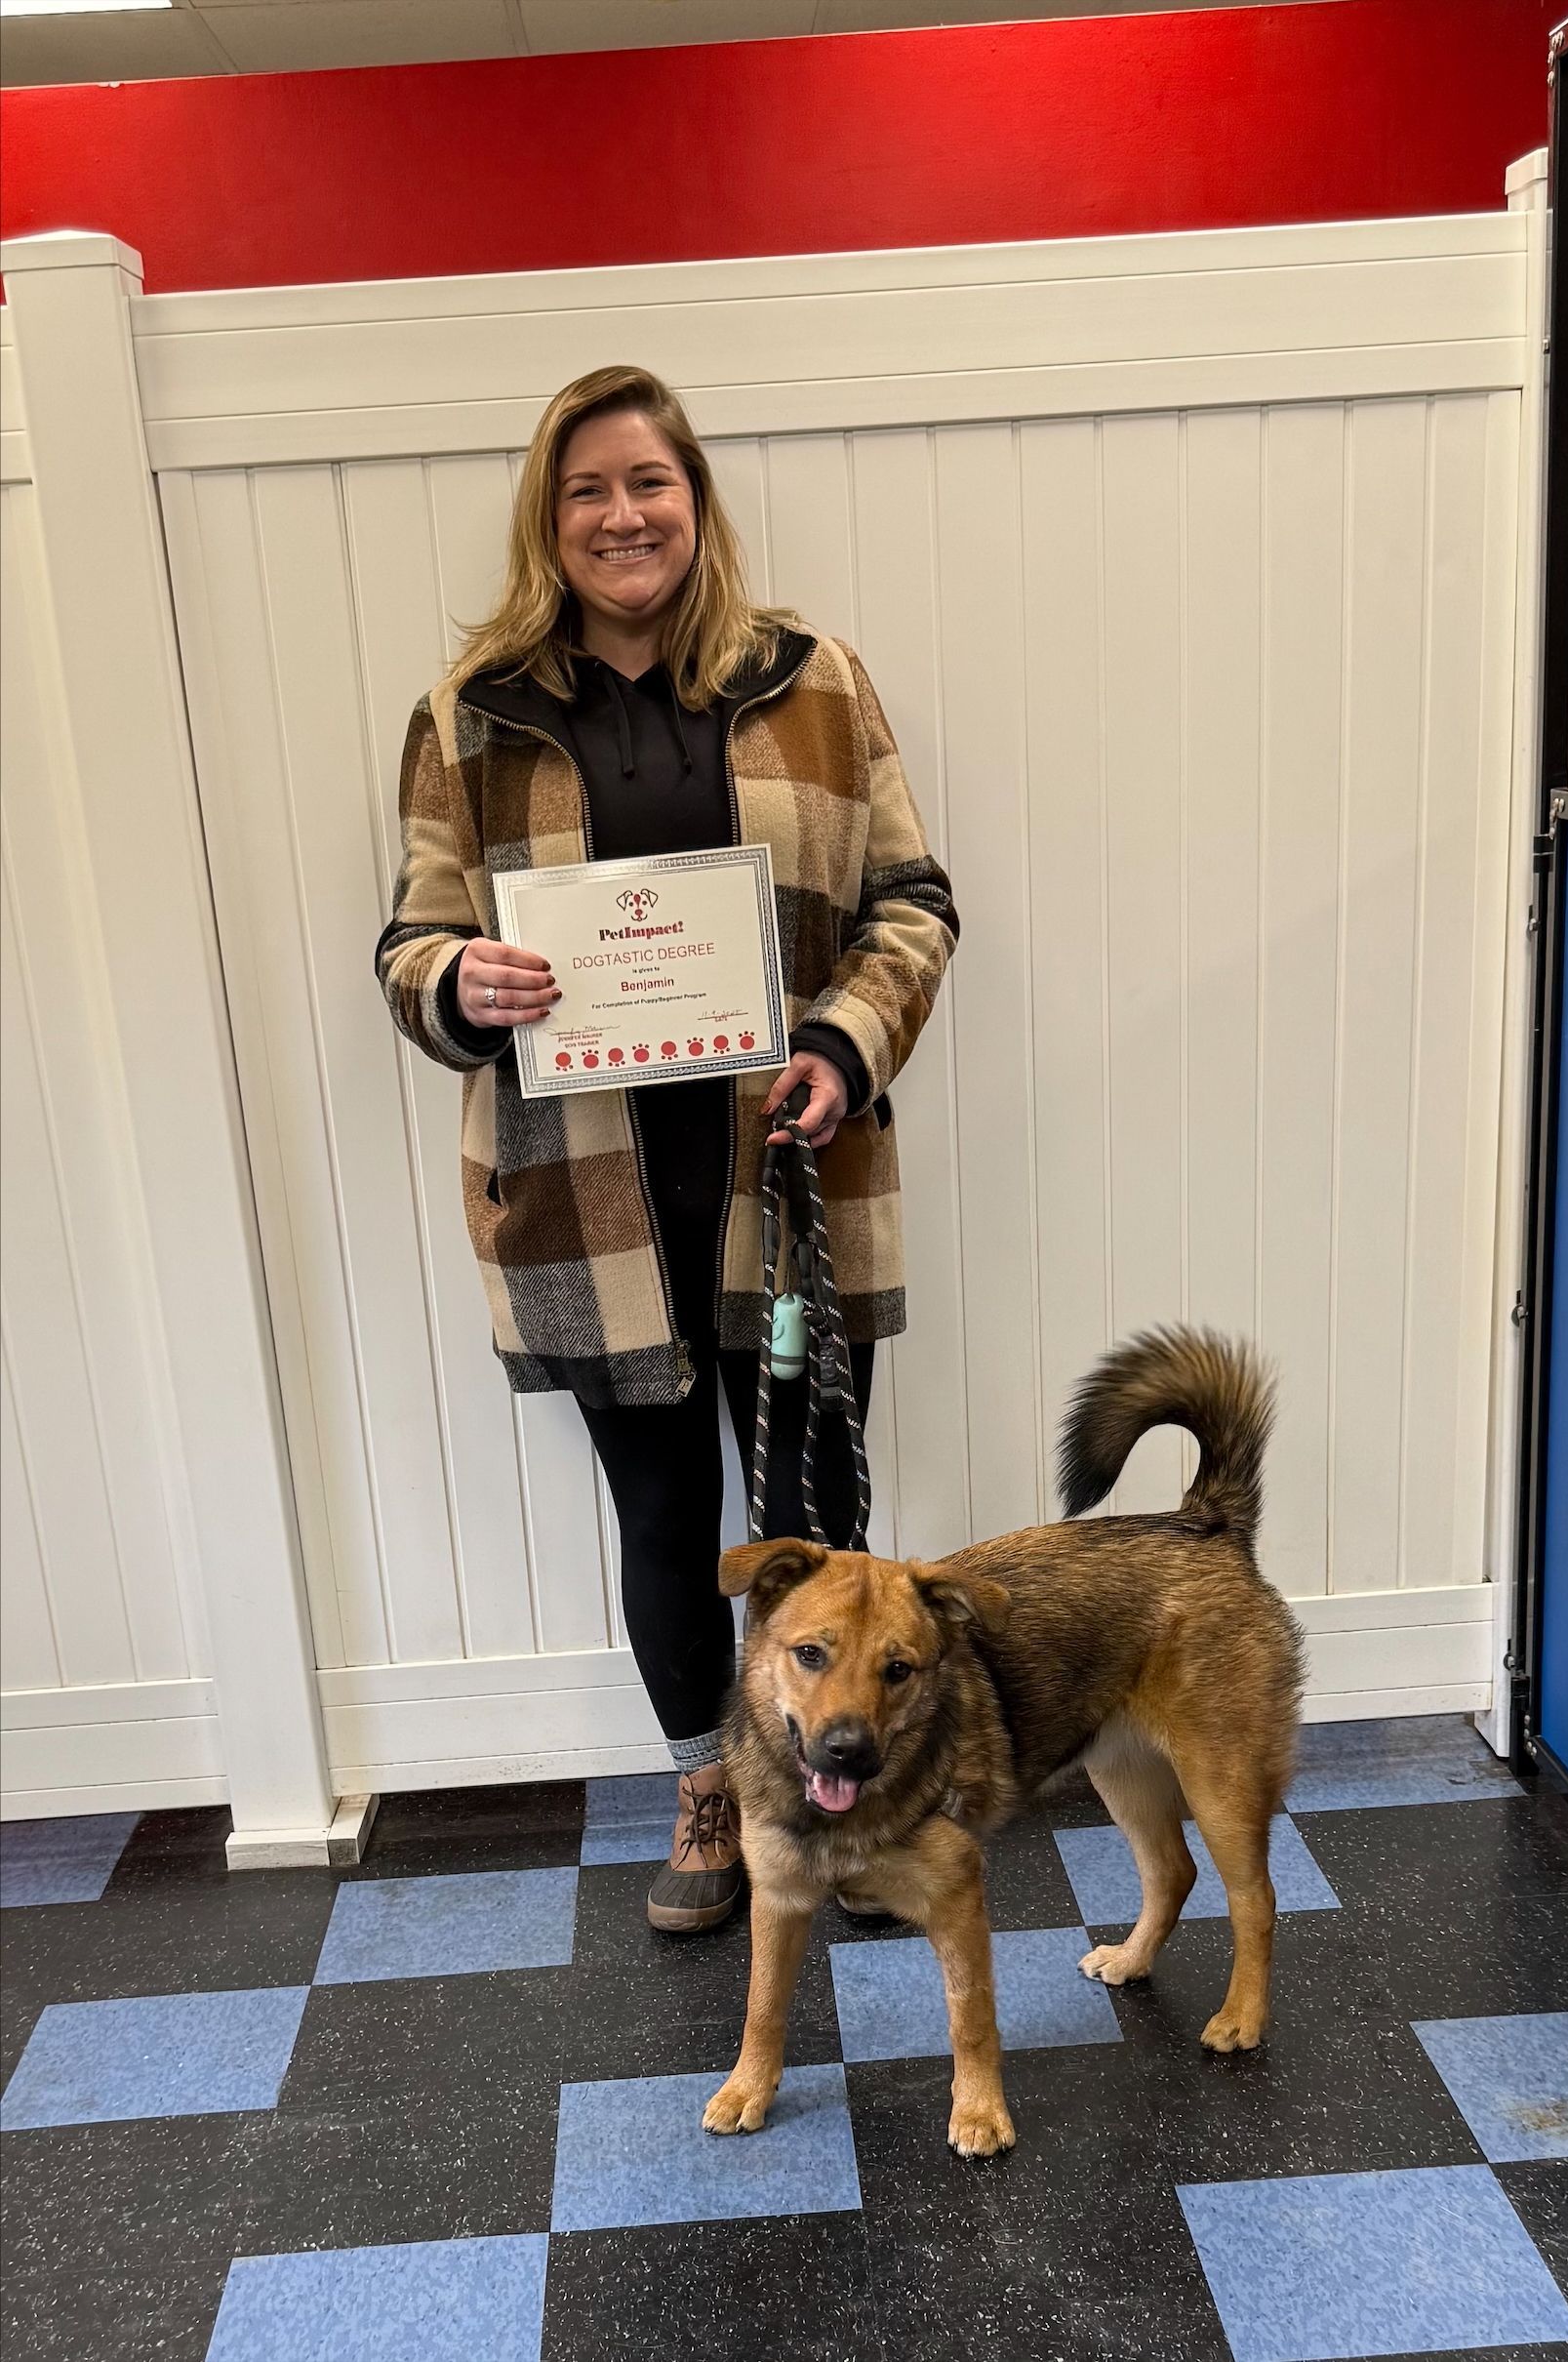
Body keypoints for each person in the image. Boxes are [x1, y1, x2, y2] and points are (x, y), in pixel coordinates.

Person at [375, 366, 958, 1934]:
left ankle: (861, 1807)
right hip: (584, 1202)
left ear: (695, 502)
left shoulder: (813, 677)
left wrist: (844, 1039)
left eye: (650, 482)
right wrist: (463, 984)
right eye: (588, 490)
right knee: (664, 1516)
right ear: (548, 523)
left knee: (825, 1514)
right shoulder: (475, 714)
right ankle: (713, 1792)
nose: (622, 515)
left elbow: (915, 899)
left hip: (792, 1183)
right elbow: (412, 946)